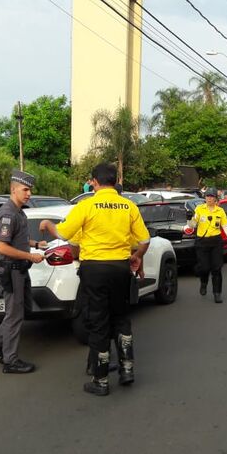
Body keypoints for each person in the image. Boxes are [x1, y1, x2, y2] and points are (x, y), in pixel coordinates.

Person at [39, 163, 150, 396]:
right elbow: (144, 240)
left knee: (98, 322)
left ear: (95, 182)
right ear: (114, 180)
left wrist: (48, 225)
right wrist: (137, 257)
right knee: (121, 318)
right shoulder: (128, 205)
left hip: (94, 270)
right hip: (121, 268)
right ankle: (127, 369)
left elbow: (64, 234)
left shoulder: (86, 205)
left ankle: (100, 380)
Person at [0, 170, 46, 374]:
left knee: (24, 309)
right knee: (15, 314)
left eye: (30, 190)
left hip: (20, 270)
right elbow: (2, 247)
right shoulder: (8, 213)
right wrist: (30, 256)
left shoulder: (19, 211)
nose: (29, 194)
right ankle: (10, 360)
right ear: (13, 189)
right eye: (25, 189)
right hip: (12, 271)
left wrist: (35, 243)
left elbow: (16, 238)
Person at [185, 187, 227, 303]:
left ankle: (217, 293)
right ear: (205, 198)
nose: (209, 198)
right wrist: (190, 220)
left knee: (217, 268)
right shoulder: (200, 209)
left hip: (216, 242)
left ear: (216, 198)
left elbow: (226, 227)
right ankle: (203, 283)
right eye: (207, 196)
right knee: (204, 268)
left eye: (212, 196)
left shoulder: (220, 211)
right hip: (202, 242)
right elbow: (193, 225)